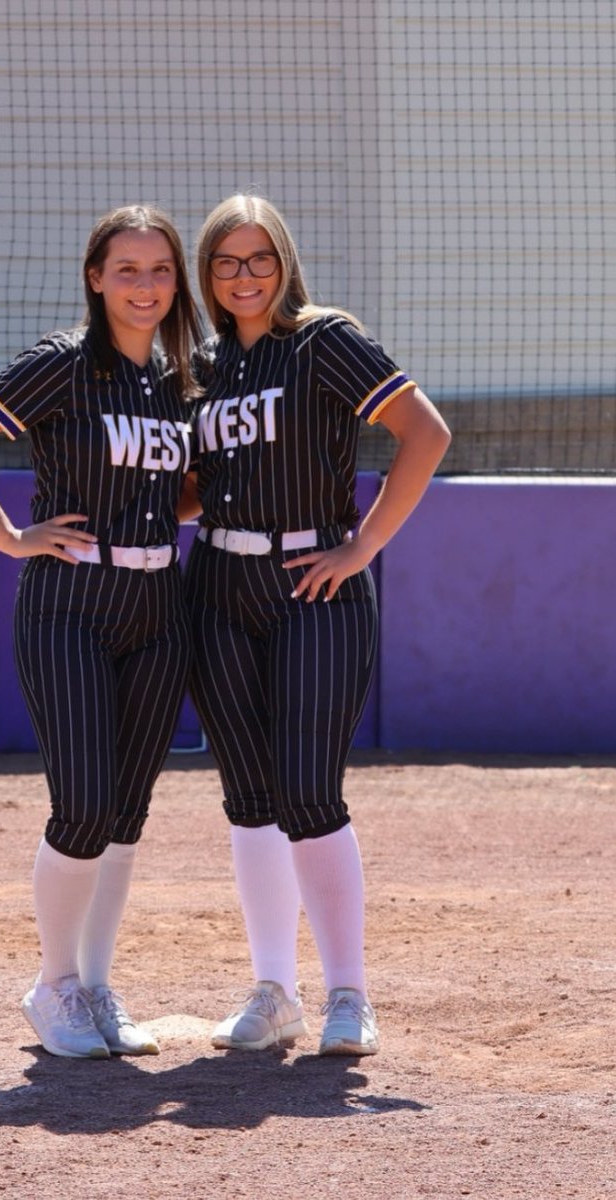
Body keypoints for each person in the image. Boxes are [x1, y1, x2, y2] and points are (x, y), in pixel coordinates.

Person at [0, 205, 203, 1059]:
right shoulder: (59, 365)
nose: (145, 286)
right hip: (69, 604)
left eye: (160, 271)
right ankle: (52, 988)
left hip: (159, 611)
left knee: (125, 813)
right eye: (127, 270)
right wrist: (10, 536)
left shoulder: (176, 383)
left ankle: (96, 985)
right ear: (95, 278)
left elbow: (181, 490)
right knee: (81, 805)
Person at [181, 194, 451, 1056]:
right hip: (219, 583)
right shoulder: (202, 365)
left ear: (285, 263)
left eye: (260, 258)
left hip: (314, 583)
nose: (244, 275)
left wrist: (364, 545)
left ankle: (348, 996)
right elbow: (196, 485)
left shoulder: (324, 339)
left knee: (308, 792)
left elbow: (425, 431)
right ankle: (273, 992)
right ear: (208, 275)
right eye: (226, 262)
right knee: (249, 796)